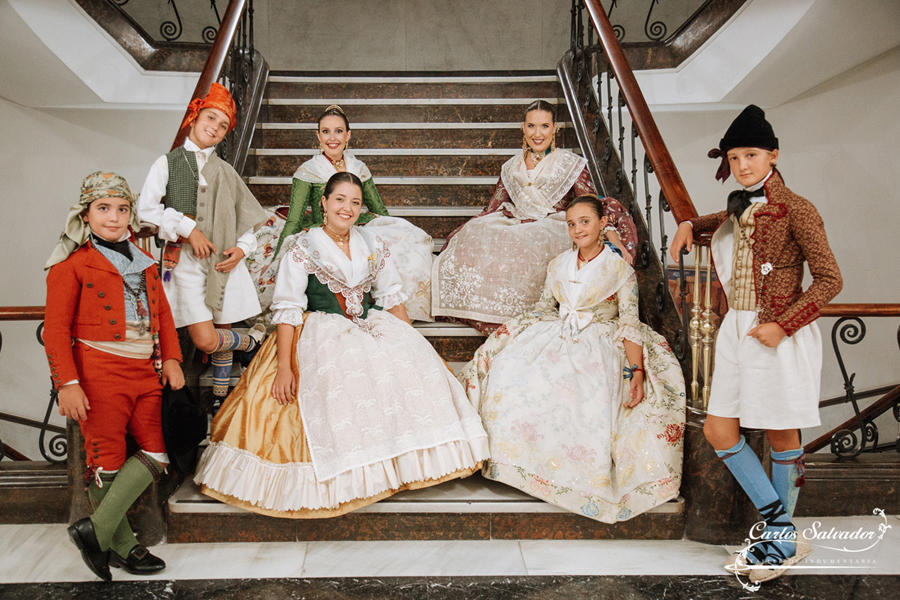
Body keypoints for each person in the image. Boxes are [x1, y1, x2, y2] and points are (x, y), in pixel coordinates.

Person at [194, 172, 489, 517]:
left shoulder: (372, 244)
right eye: (339, 200)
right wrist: (286, 368)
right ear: (323, 203)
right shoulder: (304, 246)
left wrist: (415, 347)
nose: (346, 208)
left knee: (401, 371)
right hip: (318, 331)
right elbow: (288, 310)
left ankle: (392, 467)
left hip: (369, 325)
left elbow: (391, 299)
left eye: (354, 202)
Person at [669, 105, 842, 583]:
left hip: (777, 334)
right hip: (735, 332)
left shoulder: (799, 209)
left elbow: (830, 280)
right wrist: (688, 224)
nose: (743, 164)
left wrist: (784, 325)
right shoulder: (736, 205)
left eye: (751, 154)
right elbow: (720, 220)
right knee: (720, 431)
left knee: (782, 434)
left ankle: (777, 541)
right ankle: (782, 529)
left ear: (773, 155)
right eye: (734, 156)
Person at [459, 195, 685, 522]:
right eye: (571, 224)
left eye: (585, 222)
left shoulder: (619, 269)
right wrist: (517, 335)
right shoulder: (559, 264)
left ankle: (574, 477)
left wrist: (636, 370)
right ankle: (516, 464)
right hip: (556, 332)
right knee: (513, 375)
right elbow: (543, 307)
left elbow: (629, 322)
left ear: (602, 223)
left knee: (586, 394)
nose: (577, 229)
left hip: (600, 339)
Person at [44, 172, 185, 580]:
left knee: (158, 453)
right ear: (86, 215)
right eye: (104, 209)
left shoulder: (144, 264)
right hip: (98, 374)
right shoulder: (71, 266)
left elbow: (162, 314)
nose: (114, 217)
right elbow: (55, 331)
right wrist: (67, 383)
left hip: (146, 372)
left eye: (122, 209)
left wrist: (173, 357)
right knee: (105, 462)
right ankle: (124, 545)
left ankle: (94, 531)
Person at [431, 100, 637, 334]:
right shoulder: (511, 166)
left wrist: (613, 236)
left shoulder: (571, 164)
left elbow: (590, 206)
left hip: (552, 223)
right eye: (531, 126)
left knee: (526, 243)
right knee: (477, 232)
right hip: (516, 219)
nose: (537, 134)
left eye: (544, 126)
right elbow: (494, 206)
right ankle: (480, 311)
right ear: (523, 128)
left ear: (555, 128)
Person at [138, 83, 268, 412]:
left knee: (222, 329)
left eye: (223, 126)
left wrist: (242, 249)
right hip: (182, 267)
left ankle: (220, 400)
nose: (215, 127)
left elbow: (248, 221)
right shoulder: (167, 164)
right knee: (205, 339)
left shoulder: (226, 171)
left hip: (224, 263)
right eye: (210, 118)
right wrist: (187, 227)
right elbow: (146, 211)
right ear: (195, 116)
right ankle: (254, 339)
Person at [247, 104, 434, 322]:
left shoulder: (359, 167)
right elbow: (294, 219)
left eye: (338, 131)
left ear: (348, 135)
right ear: (317, 135)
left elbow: (379, 210)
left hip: (357, 225)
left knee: (405, 238)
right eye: (325, 131)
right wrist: (279, 256)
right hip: (322, 227)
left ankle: (396, 309)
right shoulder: (308, 170)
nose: (332, 138)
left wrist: (389, 227)